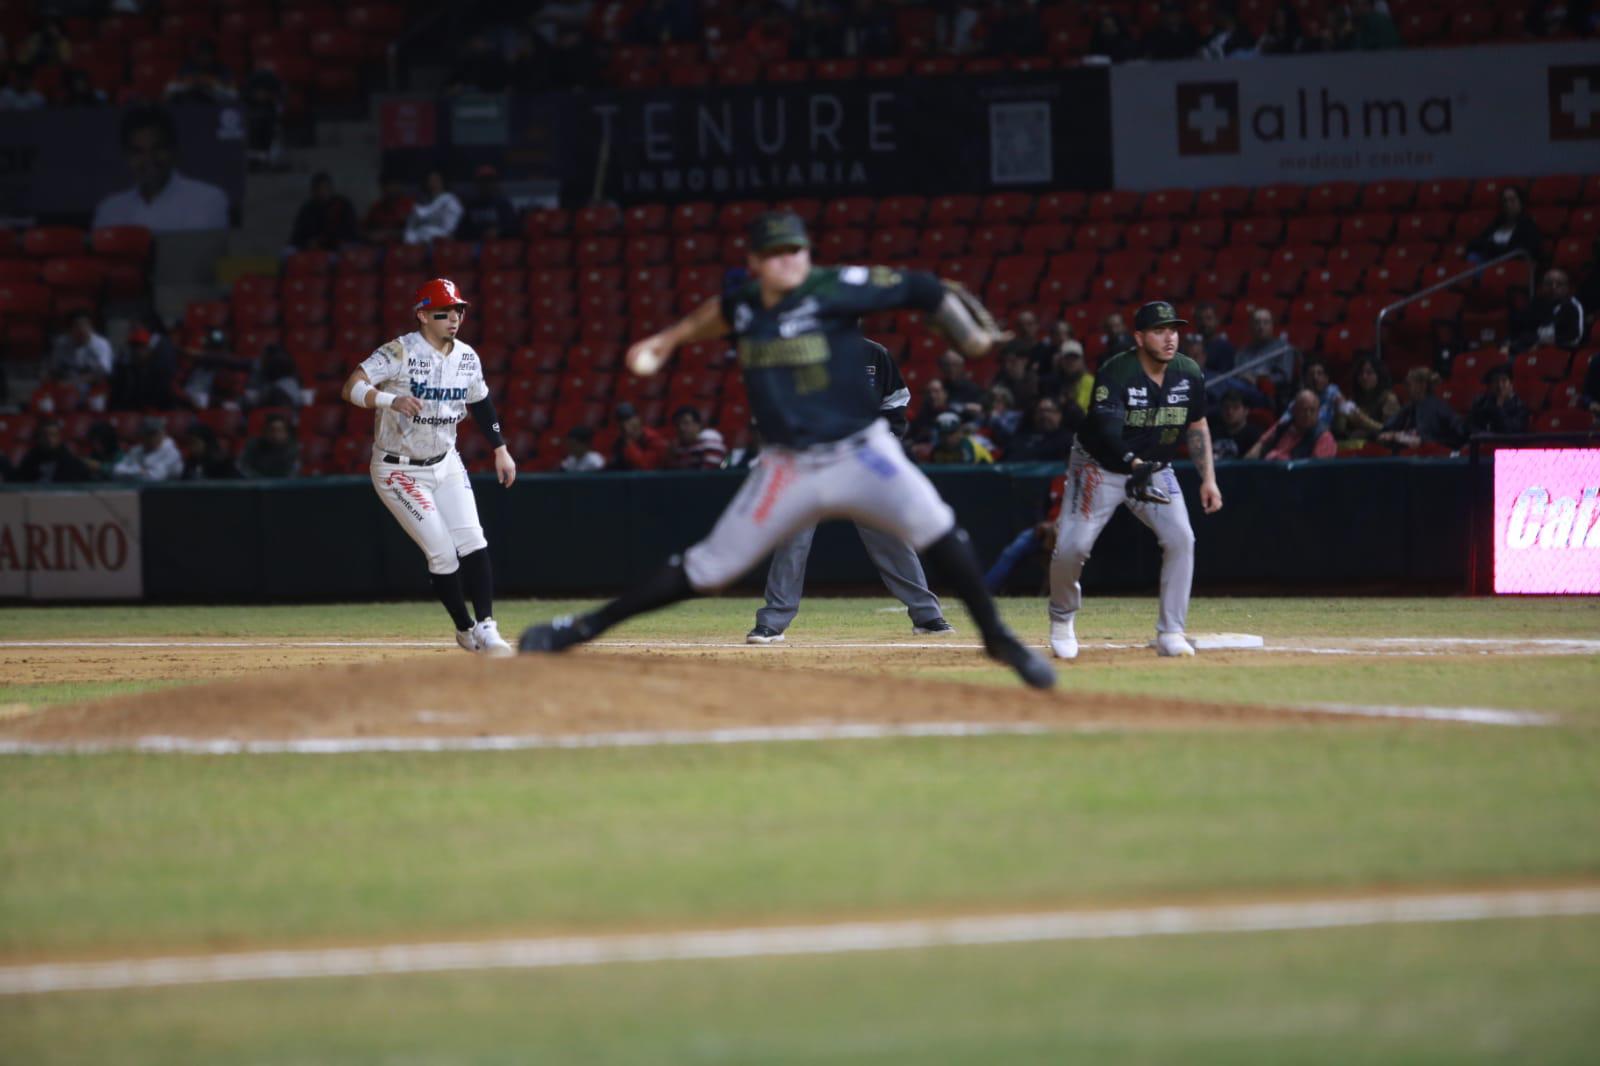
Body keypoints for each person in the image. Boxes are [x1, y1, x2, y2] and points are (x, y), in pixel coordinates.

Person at [519, 210, 1054, 688]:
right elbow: (717, 314)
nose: (788, 261)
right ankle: (581, 628)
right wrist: (667, 341)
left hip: (862, 450)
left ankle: (996, 637)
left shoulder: (835, 286)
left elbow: (924, 288)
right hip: (789, 465)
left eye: (795, 250)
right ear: (754, 261)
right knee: (706, 569)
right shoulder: (746, 304)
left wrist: (970, 337)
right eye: (775, 253)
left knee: (939, 529)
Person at [340, 278, 518, 656]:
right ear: (422, 315)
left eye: (458, 311)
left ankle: (488, 628)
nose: (453, 318)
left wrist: (500, 448)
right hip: (398, 469)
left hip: (446, 461)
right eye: (443, 312)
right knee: (442, 552)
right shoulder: (399, 351)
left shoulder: (467, 356)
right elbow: (351, 385)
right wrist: (387, 399)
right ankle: (465, 629)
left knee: (473, 539)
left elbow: (481, 402)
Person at [747, 337, 954, 644]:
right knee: (792, 539)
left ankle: (926, 615)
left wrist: (887, 439)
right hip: (811, 463)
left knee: (891, 536)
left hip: (863, 464)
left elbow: (896, 399)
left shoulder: (874, 354)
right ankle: (773, 622)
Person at [1047, 301, 1223, 661]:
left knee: (1181, 538)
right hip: (1098, 466)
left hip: (1155, 466)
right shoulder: (1117, 371)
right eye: (1159, 331)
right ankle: (1062, 619)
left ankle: (1171, 631)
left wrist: (1209, 479)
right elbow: (1107, 429)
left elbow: (1197, 424)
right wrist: (1133, 463)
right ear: (1139, 338)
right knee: (1072, 547)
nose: (1170, 337)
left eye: (1173, 330)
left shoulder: (1189, 372)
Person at [93, 105, 229, 232]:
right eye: (138, 151)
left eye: (157, 149)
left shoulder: (208, 199)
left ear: (173, 150)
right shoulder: (109, 209)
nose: (149, 159)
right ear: (127, 156)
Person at [1378, 367, 1467, 450]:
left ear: (1422, 385)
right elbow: (1387, 428)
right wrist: (1391, 435)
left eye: (1409, 384)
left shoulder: (1438, 407)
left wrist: (1403, 437)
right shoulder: (1409, 407)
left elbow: (1428, 439)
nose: (1405, 388)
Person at [1508, 268, 1586, 354]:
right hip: (1531, 350)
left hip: (1561, 353)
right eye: (1549, 283)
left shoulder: (1572, 306)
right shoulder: (1537, 304)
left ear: (1567, 287)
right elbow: (1523, 329)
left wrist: (1541, 343)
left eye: (1559, 284)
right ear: (1542, 286)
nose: (1553, 287)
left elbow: (1574, 338)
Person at [1246, 389, 1338, 461]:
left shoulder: (1324, 437)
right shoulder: (1282, 426)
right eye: (1304, 410)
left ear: (1318, 412)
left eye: (1312, 410)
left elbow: (1315, 472)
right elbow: (1261, 443)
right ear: (1294, 411)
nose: (1308, 414)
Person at [1234, 307, 1300, 404]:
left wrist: (1258, 379)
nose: (1261, 327)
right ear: (1251, 326)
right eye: (1257, 322)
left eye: (1266, 322)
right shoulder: (1242, 352)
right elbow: (1236, 374)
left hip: (1266, 395)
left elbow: (1284, 377)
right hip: (1240, 392)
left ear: (1272, 326)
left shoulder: (1283, 348)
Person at [1465, 186, 1543, 265]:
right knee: (1472, 257)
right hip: (1488, 262)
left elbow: (1524, 251)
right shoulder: (1496, 223)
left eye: (1512, 200)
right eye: (1505, 201)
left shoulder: (1527, 226)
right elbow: (1475, 243)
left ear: (1521, 202)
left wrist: (1494, 248)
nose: (1508, 204)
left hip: (1510, 265)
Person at [1337, 355, 1401, 445]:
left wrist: (1363, 420)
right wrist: (1341, 412)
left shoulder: (1389, 399)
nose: (1364, 377)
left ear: (1378, 375)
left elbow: (1391, 430)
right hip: (1356, 449)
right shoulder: (1354, 399)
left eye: (1369, 373)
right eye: (1361, 373)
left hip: (1382, 450)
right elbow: (1342, 431)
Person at [288, 173, 360, 252]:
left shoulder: (342, 205)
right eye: (318, 189)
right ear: (313, 191)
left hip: (339, 247)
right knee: (288, 252)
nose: (322, 192)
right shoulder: (307, 209)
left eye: (325, 188)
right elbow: (298, 234)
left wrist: (327, 241)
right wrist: (306, 242)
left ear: (331, 189)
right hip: (313, 249)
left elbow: (351, 229)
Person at [47, 313, 115, 393]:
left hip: (94, 386)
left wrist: (74, 382)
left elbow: (102, 373)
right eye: (77, 326)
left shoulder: (101, 344)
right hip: (66, 384)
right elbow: (54, 370)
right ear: (70, 329)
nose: (81, 330)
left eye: (84, 326)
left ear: (91, 327)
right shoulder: (61, 344)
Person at [13, 419, 92, 483]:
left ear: (59, 438)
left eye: (53, 435)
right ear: (39, 438)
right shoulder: (29, 460)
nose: (49, 439)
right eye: (45, 435)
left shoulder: (70, 461)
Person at [112, 417, 185, 481]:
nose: (150, 438)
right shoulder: (136, 450)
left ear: (162, 434)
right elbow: (117, 471)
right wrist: (140, 471)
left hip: (169, 492)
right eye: (147, 434)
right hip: (140, 491)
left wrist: (131, 472)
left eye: (153, 434)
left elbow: (155, 478)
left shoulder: (172, 453)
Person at [459, 165, 519, 242]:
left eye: (490, 181)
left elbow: (514, 229)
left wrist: (499, 232)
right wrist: (480, 234)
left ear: (495, 183)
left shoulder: (504, 204)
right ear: (477, 184)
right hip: (476, 246)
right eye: (483, 181)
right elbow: (461, 232)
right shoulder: (471, 205)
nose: (487, 185)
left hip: (501, 246)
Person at [1005, 395, 1074, 461]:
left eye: (1049, 410)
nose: (1044, 415)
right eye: (1040, 411)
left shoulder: (1068, 441)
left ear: (1059, 415)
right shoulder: (1020, 438)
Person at [403, 169, 463, 245]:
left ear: (443, 181)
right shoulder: (419, 202)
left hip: (439, 241)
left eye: (436, 179)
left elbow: (449, 229)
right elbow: (410, 227)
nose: (433, 182)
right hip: (418, 243)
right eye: (430, 179)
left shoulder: (450, 200)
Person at [1468, 365, 1531, 435]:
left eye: (1504, 381)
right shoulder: (1482, 402)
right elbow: (1472, 426)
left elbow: (1510, 430)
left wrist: (1499, 408)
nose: (1500, 385)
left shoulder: (1519, 406)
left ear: (1511, 384)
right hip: (1483, 442)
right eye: (1495, 381)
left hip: (1506, 443)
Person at [237, 411, 301, 478]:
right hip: (256, 485)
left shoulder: (293, 449)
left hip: (283, 486)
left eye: (280, 430)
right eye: (271, 430)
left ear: (286, 434)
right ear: (265, 432)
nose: (276, 435)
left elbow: (292, 474)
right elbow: (242, 466)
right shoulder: (253, 445)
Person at [611, 402, 671, 470]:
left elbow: (645, 467)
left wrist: (629, 443)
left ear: (639, 419)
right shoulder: (620, 442)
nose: (627, 424)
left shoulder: (654, 439)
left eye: (630, 419)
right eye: (623, 421)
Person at [1207, 390, 1262, 460]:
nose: (1230, 412)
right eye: (1226, 407)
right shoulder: (1211, 433)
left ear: (1246, 411)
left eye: (1236, 407)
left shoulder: (1255, 436)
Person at [364, 172, 415, 244]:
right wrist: (371, 235)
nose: (391, 188)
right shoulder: (377, 206)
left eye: (394, 185)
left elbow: (416, 231)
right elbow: (365, 229)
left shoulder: (410, 205)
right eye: (388, 185)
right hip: (379, 248)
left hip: (404, 248)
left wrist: (389, 234)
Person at [929, 411, 994, 464]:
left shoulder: (969, 446)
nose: (947, 438)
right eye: (943, 434)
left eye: (951, 433)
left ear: (959, 432)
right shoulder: (937, 450)